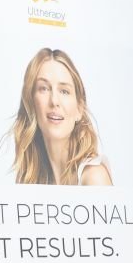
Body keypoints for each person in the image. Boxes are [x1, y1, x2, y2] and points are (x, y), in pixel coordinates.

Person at [10, 48, 113, 186]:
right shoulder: (34, 181)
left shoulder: (93, 176)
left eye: (64, 91)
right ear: (31, 103)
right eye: (44, 88)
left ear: (79, 109)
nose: (54, 101)